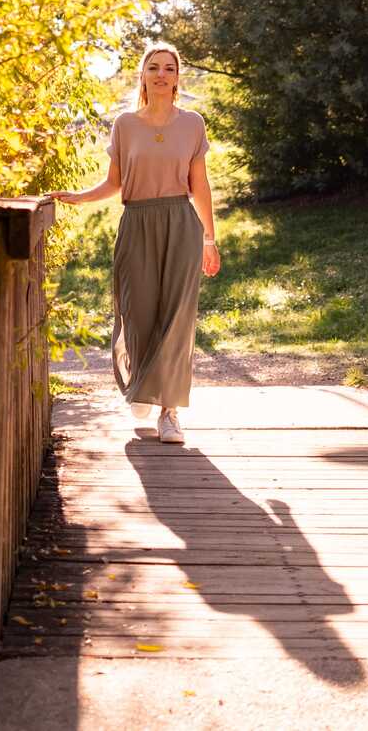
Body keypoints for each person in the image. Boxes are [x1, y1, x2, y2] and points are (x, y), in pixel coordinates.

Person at [47, 44, 220, 444]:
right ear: (142, 75)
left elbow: (200, 186)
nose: (161, 74)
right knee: (137, 312)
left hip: (181, 224)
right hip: (136, 223)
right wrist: (79, 196)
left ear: (178, 78)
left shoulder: (193, 123)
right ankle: (143, 382)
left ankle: (169, 412)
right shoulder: (125, 124)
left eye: (169, 68)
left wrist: (209, 238)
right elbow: (114, 183)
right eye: (153, 67)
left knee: (176, 318)